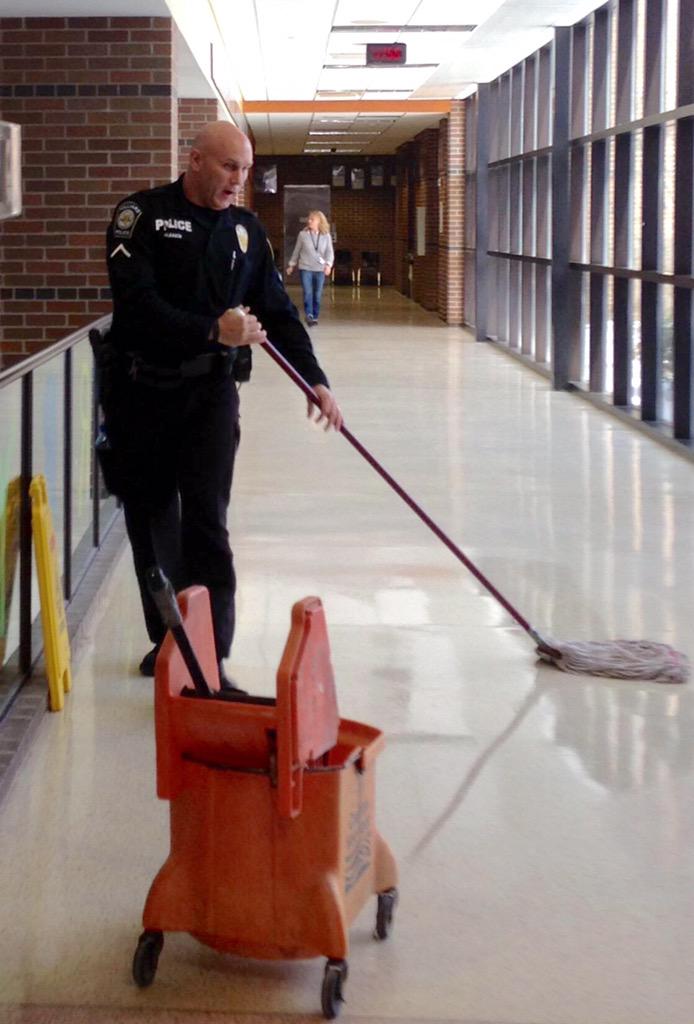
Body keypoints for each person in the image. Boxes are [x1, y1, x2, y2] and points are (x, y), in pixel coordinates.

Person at [103, 121, 342, 691]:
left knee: (208, 523)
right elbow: (136, 307)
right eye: (230, 167)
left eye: (246, 170)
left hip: (210, 395)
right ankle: (170, 643)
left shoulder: (246, 232)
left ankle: (209, 662)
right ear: (196, 161)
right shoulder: (141, 217)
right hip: (142, 394)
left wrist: (316, 381)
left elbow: (278, 314)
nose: (239, 180)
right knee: (153, 521)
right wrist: (215, 328)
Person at [286, 211, 334, 326]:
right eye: (309, 219)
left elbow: (329, 252)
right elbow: (297, 251)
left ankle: (315, 315)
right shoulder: (303, 235)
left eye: (312, 219)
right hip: (305, 267)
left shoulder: (326, 235)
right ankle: (309, 315)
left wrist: (328, 265)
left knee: (317, 294)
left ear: (319, 222)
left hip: (320, 269)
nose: (309, 221)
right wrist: (291, 265)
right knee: (308, 292)